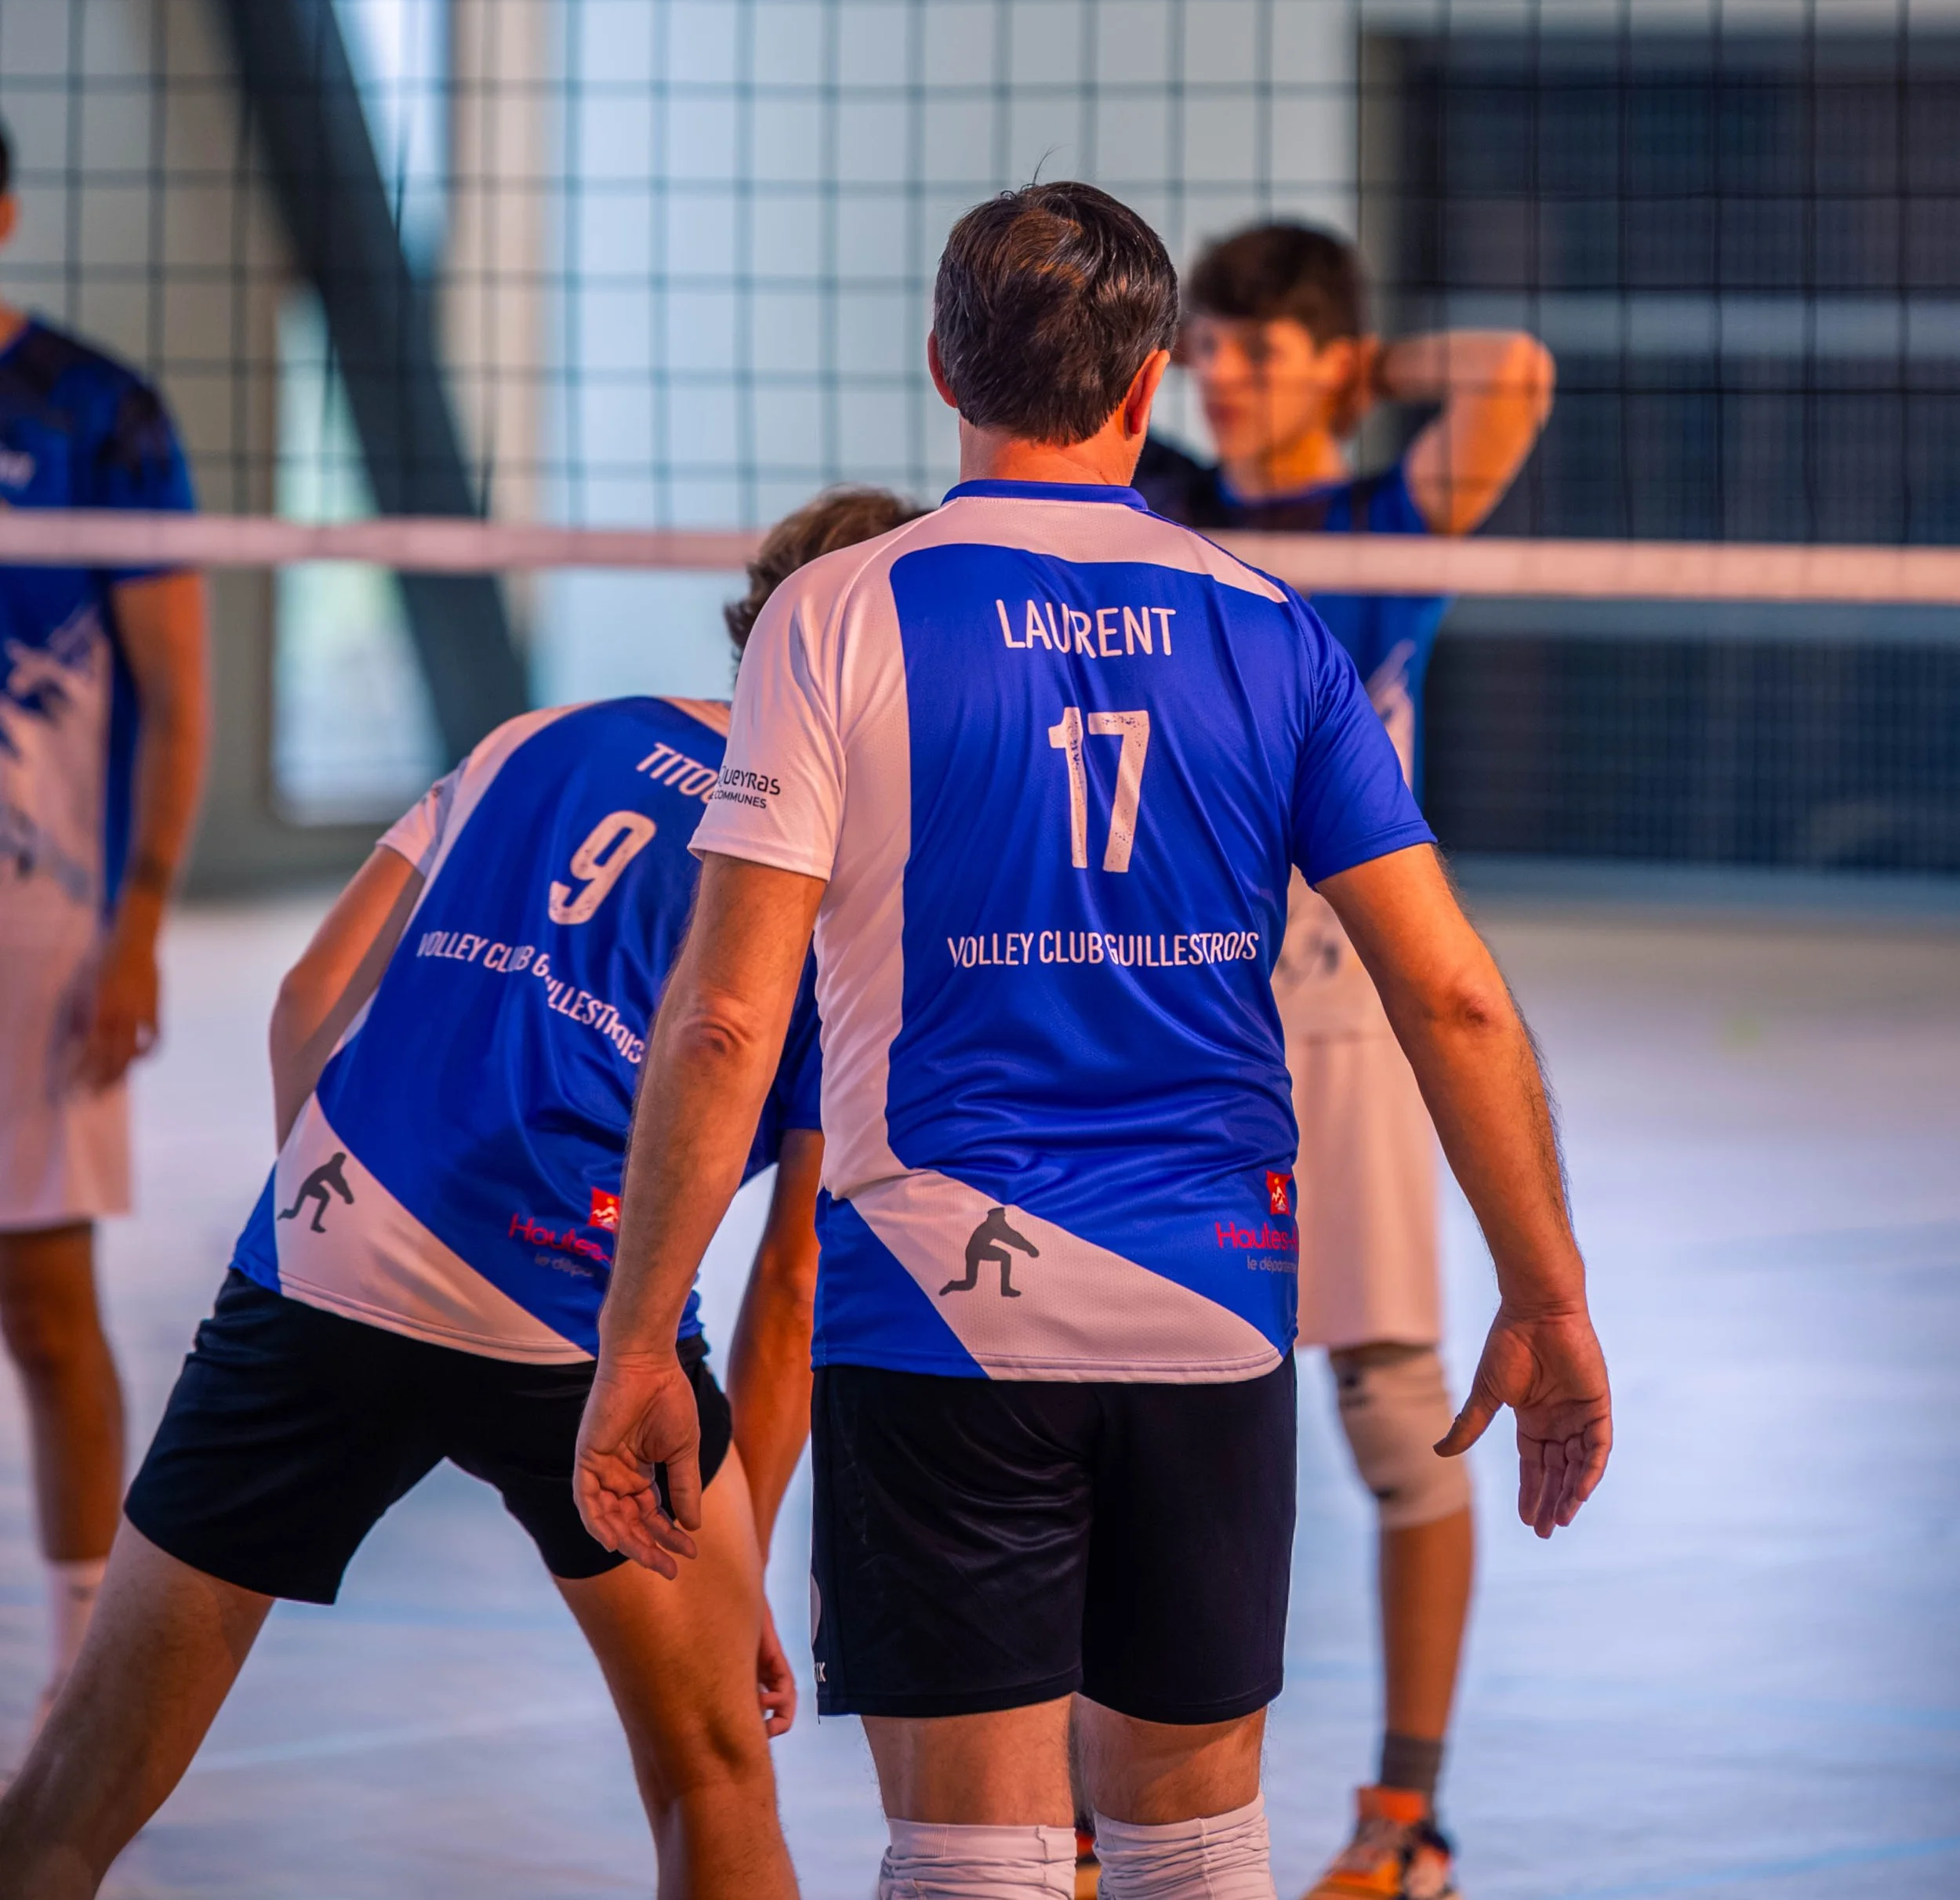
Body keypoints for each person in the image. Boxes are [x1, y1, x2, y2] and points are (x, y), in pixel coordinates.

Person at [572, 181, 1610, 1900]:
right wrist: (1547, 1295)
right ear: (1147, 387)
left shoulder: (835, 613)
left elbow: (726, 1015)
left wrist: (634, 1344)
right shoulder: (1275, 628)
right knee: (1195, 1853)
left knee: (970, 1854)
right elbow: (1453, 996)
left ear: (939, 369)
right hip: (1208, 1308)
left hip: (935, 1313)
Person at [0, 483, 920, 1899]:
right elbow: (792, 1284)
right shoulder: (849, 884)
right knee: (712, 1772)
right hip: (577, 1314)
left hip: (326, 1255)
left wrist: (343, 1222)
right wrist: (732, 1566)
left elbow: (307, 998)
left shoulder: (541, 737)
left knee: (78, 1780)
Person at [1135, 220, 1555, 1900]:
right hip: (1176, 1007)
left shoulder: (1387, 524)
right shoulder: (1161, 507)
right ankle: (1093, 1817)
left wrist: (1366, 366)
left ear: (1330, 356)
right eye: (1207, 346)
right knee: (1130, 1404)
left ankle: (1404, 1821)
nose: (1222, 376)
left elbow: (1512, 376)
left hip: (1346, 1014)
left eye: (1260, 347)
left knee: (1393, 1421)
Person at [0, 115, 209, 1724]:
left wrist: (137, 925)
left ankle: (79, 1687)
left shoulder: (99, 414)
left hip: (38, 935)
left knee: (45, 1306)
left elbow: (179, 704)